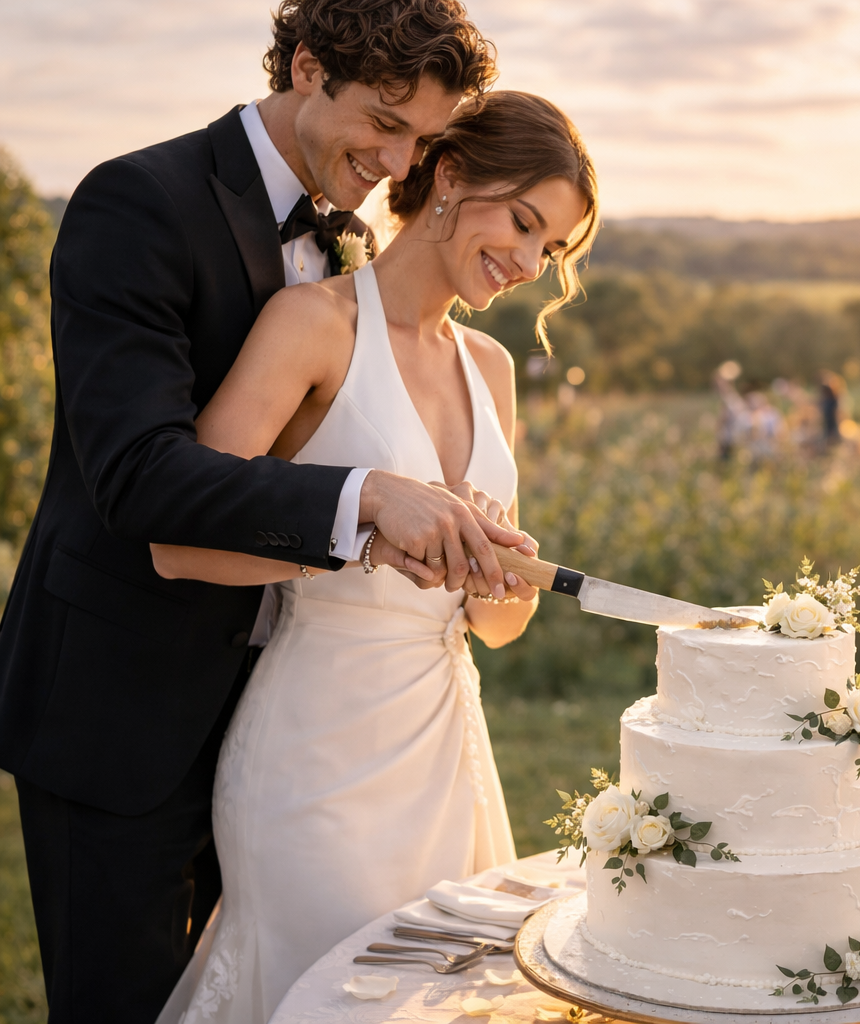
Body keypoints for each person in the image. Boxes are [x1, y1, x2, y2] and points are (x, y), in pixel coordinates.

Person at [0, 5, 520, 1022]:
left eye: (423, 139)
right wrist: (365, 497)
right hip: (123, 704)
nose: (399, 159)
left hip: (288, 721)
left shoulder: (355, 236)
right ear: (308, 68)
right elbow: (140, 473)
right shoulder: (138, 201)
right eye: (383, 121)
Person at [152, 90, 598, 1023]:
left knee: (451, 999)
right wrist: (367, 541)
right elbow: (181, 544)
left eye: (548, 249)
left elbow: (502, 627)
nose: (527, 264)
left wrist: (498, 557)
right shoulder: (312, 323)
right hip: (315, 758)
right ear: (450, 175)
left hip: (446, 754)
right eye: (522, 223)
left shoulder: (492, 369)